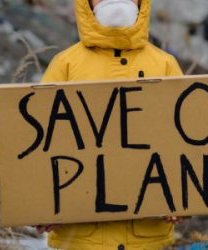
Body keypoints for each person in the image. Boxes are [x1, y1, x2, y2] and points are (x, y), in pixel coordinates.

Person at [38, 0, 184, 249]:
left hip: (147, 240)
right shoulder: (65, 66)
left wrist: (182, 200)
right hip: (81, 241)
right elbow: (39, 145)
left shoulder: (165, 65)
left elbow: (185, 145)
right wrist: (41, 207)